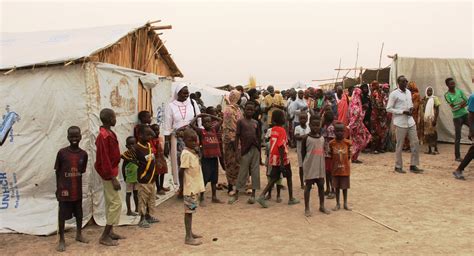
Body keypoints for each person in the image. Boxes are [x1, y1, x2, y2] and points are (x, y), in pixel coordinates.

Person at [255, 109, 300, 208]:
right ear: (280, 119)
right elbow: (280, 146)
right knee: (288, 176)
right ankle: (291, 198)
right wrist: (282, 164)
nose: (284, 118)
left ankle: (262, 195)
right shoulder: (282, 130)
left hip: (273, 157)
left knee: (273, 178)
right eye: (283, 117)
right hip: (282, 158)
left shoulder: (273, 129)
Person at [163, 84, 201, 197]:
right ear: (177, 93)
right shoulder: (170, 106)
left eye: (187, 92)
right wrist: (166, 143)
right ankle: (181, 187)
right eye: (184, 93)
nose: (186, 95)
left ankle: (193, 186)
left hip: (192, 137)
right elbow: (167, 126)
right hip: (177, 139)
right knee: (181, 163)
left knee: (193, 162)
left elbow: (199, 120)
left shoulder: (193, 104)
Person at [55, 126, 89, 252]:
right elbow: (57, 172)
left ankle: (79, 234)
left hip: (77, 191)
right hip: (64, 190)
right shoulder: (62, 153)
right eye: (71, 136)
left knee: (79, 213)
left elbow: (82, 171)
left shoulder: (83, 154)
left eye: (76, 136)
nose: (74, 139)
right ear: (67, 137)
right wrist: (58, 188)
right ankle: (62, 239)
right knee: (62, 215)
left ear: (80, 137)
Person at [94, 108, 125, 246]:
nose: (115, 119)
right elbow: (104, 158)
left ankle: (111, 231)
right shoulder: (103, 136)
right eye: (114, 117)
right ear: (108, 119)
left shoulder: (109, 133)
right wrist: (112, 178)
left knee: (110, 202)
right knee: (116, 203)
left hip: (112, 170)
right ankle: (104, 235)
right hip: (109, 173)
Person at [386, 76, 424, 174]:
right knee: (399, 145)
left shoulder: (408, 92)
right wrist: (402, 111)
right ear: (399, 83)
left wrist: (411, 109)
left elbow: (410, 104)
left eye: (406, 81)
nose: (405, 83)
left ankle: (413, 165)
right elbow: (388, 108)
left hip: (410, 121)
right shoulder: (394, 94)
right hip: (400, 122)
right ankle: (398, 166)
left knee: (415, 143)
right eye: (403, 81)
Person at [229, 102, 261, 204]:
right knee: (242, 172)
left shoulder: (256, 122)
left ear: (254, 111)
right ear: (244, 110)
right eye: (248, 109)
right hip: (244, 150)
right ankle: (237, 194)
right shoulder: (240, 122)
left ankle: (253, 195)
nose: (249, 111)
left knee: (255, 172)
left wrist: (260, 153)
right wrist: (236, 150)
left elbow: (258, 137)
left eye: (251, 110)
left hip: (255, 149)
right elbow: (237, 136)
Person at [190, 113, 223, 204]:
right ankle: (202, 197)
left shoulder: (214, 130)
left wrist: (209, 115)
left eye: (209, 122)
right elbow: (191, 125)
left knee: (214, 178)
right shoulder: (201, 132)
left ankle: (214, 196)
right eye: (205, 122)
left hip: (214, 158)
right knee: (204, 178)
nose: (208, 123)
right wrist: (198, 116)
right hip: (206, 158)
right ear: (203, 124)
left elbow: (220, 120)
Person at [180, 129, 205, 246]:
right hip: (189, 188)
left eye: (195, 140)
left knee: (191, 210)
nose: (194, 142)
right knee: (188, 212)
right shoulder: (185, 154)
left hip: (194, 187)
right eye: (191, 140)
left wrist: (197, 151)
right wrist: (181, 187)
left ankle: (190, 232)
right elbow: (182, 171)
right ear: (184, 141)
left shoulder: (193, 152)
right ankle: (188, 237)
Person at [301, 116, 330, 217]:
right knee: (308, 187)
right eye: (313, 125)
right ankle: (307, 208)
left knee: (321, 186)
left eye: (318, 125)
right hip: (309, 166)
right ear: (310, 125)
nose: (316, 127)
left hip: (320, 166)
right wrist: (306, 164)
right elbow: (303, 153)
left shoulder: (321, 138)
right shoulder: (306, 138)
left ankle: (322, 206)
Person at [132, 125, 159, 228]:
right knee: (142, 199)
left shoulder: (148, 145)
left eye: (150, 134)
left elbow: (154, 135)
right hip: (143, 179)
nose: (149, 136)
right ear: (139, 135)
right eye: (146, 134)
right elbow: (128, 157)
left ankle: (148, 216)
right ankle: (142, 218)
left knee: (150, 199)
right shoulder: (136, 148)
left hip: (152, 178)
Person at [222, 90, 243, 195]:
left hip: (238, 140)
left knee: (238, 163)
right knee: (231, 163)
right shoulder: (228, 110)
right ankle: (231, 186)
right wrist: (231, 140)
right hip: (231, 141)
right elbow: (227, 127)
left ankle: (239, 185)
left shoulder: (237, 109)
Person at [444, 78, 469, 161]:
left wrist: (458, 105)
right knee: (458, 137)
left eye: (453, 83)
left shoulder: (459, 91)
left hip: (465, 114)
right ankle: (457, 157)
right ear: (447, 85)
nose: (453, 85)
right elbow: (453, 108)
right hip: (457, 118)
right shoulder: (447, 95)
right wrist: (461, 104)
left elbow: (467, 101)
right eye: (451, 84)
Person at [330, 122, 352, 211]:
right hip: (335, 170)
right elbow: (331, 154)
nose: (340, 133)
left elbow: (349, 155)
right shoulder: (332, 143)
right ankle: (337, 203)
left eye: (341, 131)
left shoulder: (348, 143)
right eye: (337, 131)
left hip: (345, 170)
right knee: (337, 187)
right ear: (334, 132)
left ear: (344, 132)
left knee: (345, 187)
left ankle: (345, 203)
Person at [453, 93, 474, 179]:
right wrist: (471, 131)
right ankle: (459, 170)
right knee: (473, 151)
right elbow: (471, 116)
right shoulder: (473, 97)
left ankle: (459, 170)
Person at [348, 88, 371, 163]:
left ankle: (354, 156)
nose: (361, 95)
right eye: (360, 94)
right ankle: (353, 157)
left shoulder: (355, 104)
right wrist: (351, 125)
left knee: (366, 137)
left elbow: (359, 115)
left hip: (359, 125)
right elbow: (355, 117)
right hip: (355, 126)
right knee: (359, 141)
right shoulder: (355, 105)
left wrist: (363, 109)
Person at [419, 86, 441, 154]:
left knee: (433, 134)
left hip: (432, 118)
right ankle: (429, 149)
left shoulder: (435, 98)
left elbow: (437, 109)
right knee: (427, 134)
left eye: (431, 91)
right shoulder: (424, 98)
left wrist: (435, 119)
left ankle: (435, 149)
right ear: (426, 91)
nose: (429, 92)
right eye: (428, 91)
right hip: (426, 119)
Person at [121, 136, 139, 216]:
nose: (132, 146)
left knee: (136, 193)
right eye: (130, 144)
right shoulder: (126, 155)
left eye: (134, 144)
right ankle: (129, 210)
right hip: (129, 178)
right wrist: (124, 176)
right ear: (126, 146)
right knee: (128, 194)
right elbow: (123, 167)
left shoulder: (138, 154)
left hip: (137, 177)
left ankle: (137, 208)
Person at [369, 81, 388, 154]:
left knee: (380, 131)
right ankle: (374, 148)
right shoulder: (375, 93)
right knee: (375, 131)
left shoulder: (379, 92)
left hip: (379, 114)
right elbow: (377, 104)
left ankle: (379, 148)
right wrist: (383, 108)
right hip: (376, 114)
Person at [150, 124, 169, 195]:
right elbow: (153, 151)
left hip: (161, 157)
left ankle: (161, 186)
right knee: (157, 174)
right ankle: (158, 188)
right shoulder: (151, 140)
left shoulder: (158, 138)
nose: (157, 132)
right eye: (155, 130)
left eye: (158, 130)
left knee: (163, 172)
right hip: (156, 159)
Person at [321, 109, 335, 199]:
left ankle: (332, 190)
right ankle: (328, 188)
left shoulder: (330, 128)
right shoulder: (326, 127)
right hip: (326, 153)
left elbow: (331, 141)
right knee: (327, 172)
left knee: (329, 172)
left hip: (329, 154)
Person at [294, 112, 309, 189]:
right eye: (301, 119)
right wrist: (306, 136)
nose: (303, 120)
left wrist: (303, 137)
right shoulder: (297, 128)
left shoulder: (309, 127)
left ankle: (307, 181)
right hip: (300, 150)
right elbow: (297, 137)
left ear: (307, 119)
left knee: (307, 166)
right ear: (299, 119)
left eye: (304, 118)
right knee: (301, 166)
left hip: (308, 150)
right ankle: (301, 183)